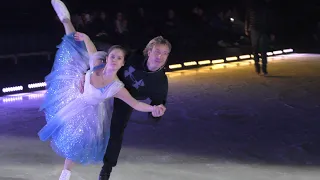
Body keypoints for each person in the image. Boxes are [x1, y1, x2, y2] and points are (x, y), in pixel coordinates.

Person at [38, 1, 165, 180]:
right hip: (74, 92)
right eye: (112, 56)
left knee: (78, 138)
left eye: (118, 58)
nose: (114, 59)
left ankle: (65, 173)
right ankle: (66, 20)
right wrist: (85, 38)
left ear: (122, 63)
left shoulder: (116, 87)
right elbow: (91, 51)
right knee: (72, 44)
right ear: (108, 58)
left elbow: (135, 104)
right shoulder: (98, 63)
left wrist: (153, 108)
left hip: (90, 110)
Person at [99, 31, 172, 180]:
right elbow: (114, 55)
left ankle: (107, 168)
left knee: (117, 129)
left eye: (165, 53)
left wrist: (155, 114)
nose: (160, 56)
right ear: (149, 51)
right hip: (109, 83)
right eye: (157, 51)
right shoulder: (134, 56)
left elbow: (156, 109)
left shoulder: (160, 83)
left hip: (127, 98)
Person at [245, 0, 275, 76]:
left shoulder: (265, 7)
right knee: (255, 48)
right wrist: (246, 28)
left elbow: (269, 20)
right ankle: (257, 65)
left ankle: (264, 68)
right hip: (255, 29)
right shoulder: (251, 7)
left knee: (263, 49)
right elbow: (247, 18)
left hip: (262, 30)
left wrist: (271, 32)